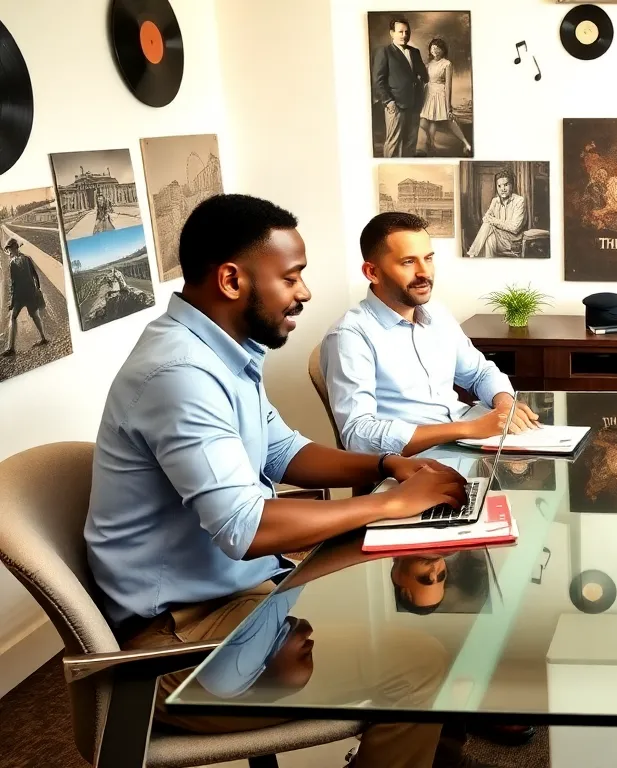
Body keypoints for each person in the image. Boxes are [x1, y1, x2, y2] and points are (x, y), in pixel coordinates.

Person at [83, 194, 500, 768]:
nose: (303, 292)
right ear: (231, 279)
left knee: (426, 597)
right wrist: (392, 504)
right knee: (418, 659)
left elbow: (284, 451)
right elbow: (245, 527)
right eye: (292, 277)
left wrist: (385, 467)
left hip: (245, 590)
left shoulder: (224, 351)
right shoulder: (180, 373)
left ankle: (426, 752)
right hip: (183, 643)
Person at [324, 211, 539, 458]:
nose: (424, 272)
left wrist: (505, 405)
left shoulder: (436, 314)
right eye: (408, 262)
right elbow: (357, 435)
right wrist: (467, 429)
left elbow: (479, 372)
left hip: (472, 446)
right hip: (417, 464)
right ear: (372, 272)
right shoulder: (349, 336)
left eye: (428, 258)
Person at [372, 16, 428, 158]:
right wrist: (388, 101)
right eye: (400, 32)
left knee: (410, 144)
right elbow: (378, 81)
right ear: (392, 33)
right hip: (395, 105)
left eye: (407, 32)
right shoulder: (384, 52)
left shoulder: (415, 52)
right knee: (393, 144)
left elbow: (423, 75)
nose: (404, 35)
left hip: (414, 105)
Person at [419, 37, 472, 156]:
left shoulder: (447, 64)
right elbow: (424, 79)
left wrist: (448, 106)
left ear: (443, 50)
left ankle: (466, 143)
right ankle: (430, 143)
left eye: (438, 48)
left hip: (440, 94)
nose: (435, 50)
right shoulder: (429, 64)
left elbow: (448, 86)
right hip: (428, 93)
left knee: (448, 120)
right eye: (433, 48)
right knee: (426, 120)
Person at [3, 239, 49, 356]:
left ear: (14, 248)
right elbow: (35, 275)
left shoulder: (12, 263)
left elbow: (14, 283)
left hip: (19, 296)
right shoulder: (27, 259)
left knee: (13, 318)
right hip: (30, 293)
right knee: (35, 316)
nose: (9, 251)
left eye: (9, 249)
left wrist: (12, 302)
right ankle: (43, 338)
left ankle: (11, 348)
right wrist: (37, 289)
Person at [466, 171, 527, 258]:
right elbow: (486, 218)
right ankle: (483, 261)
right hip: (498, 237)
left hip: (513, 241)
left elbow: (515, 228)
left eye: (506, 185)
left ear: (512, 185)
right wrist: (494, 221)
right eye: (499, 186)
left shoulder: (519, 200)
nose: (503, 189)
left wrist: (494, 221)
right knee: (489, 239)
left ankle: (472, 254)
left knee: (489, 226)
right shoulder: (495, 201)